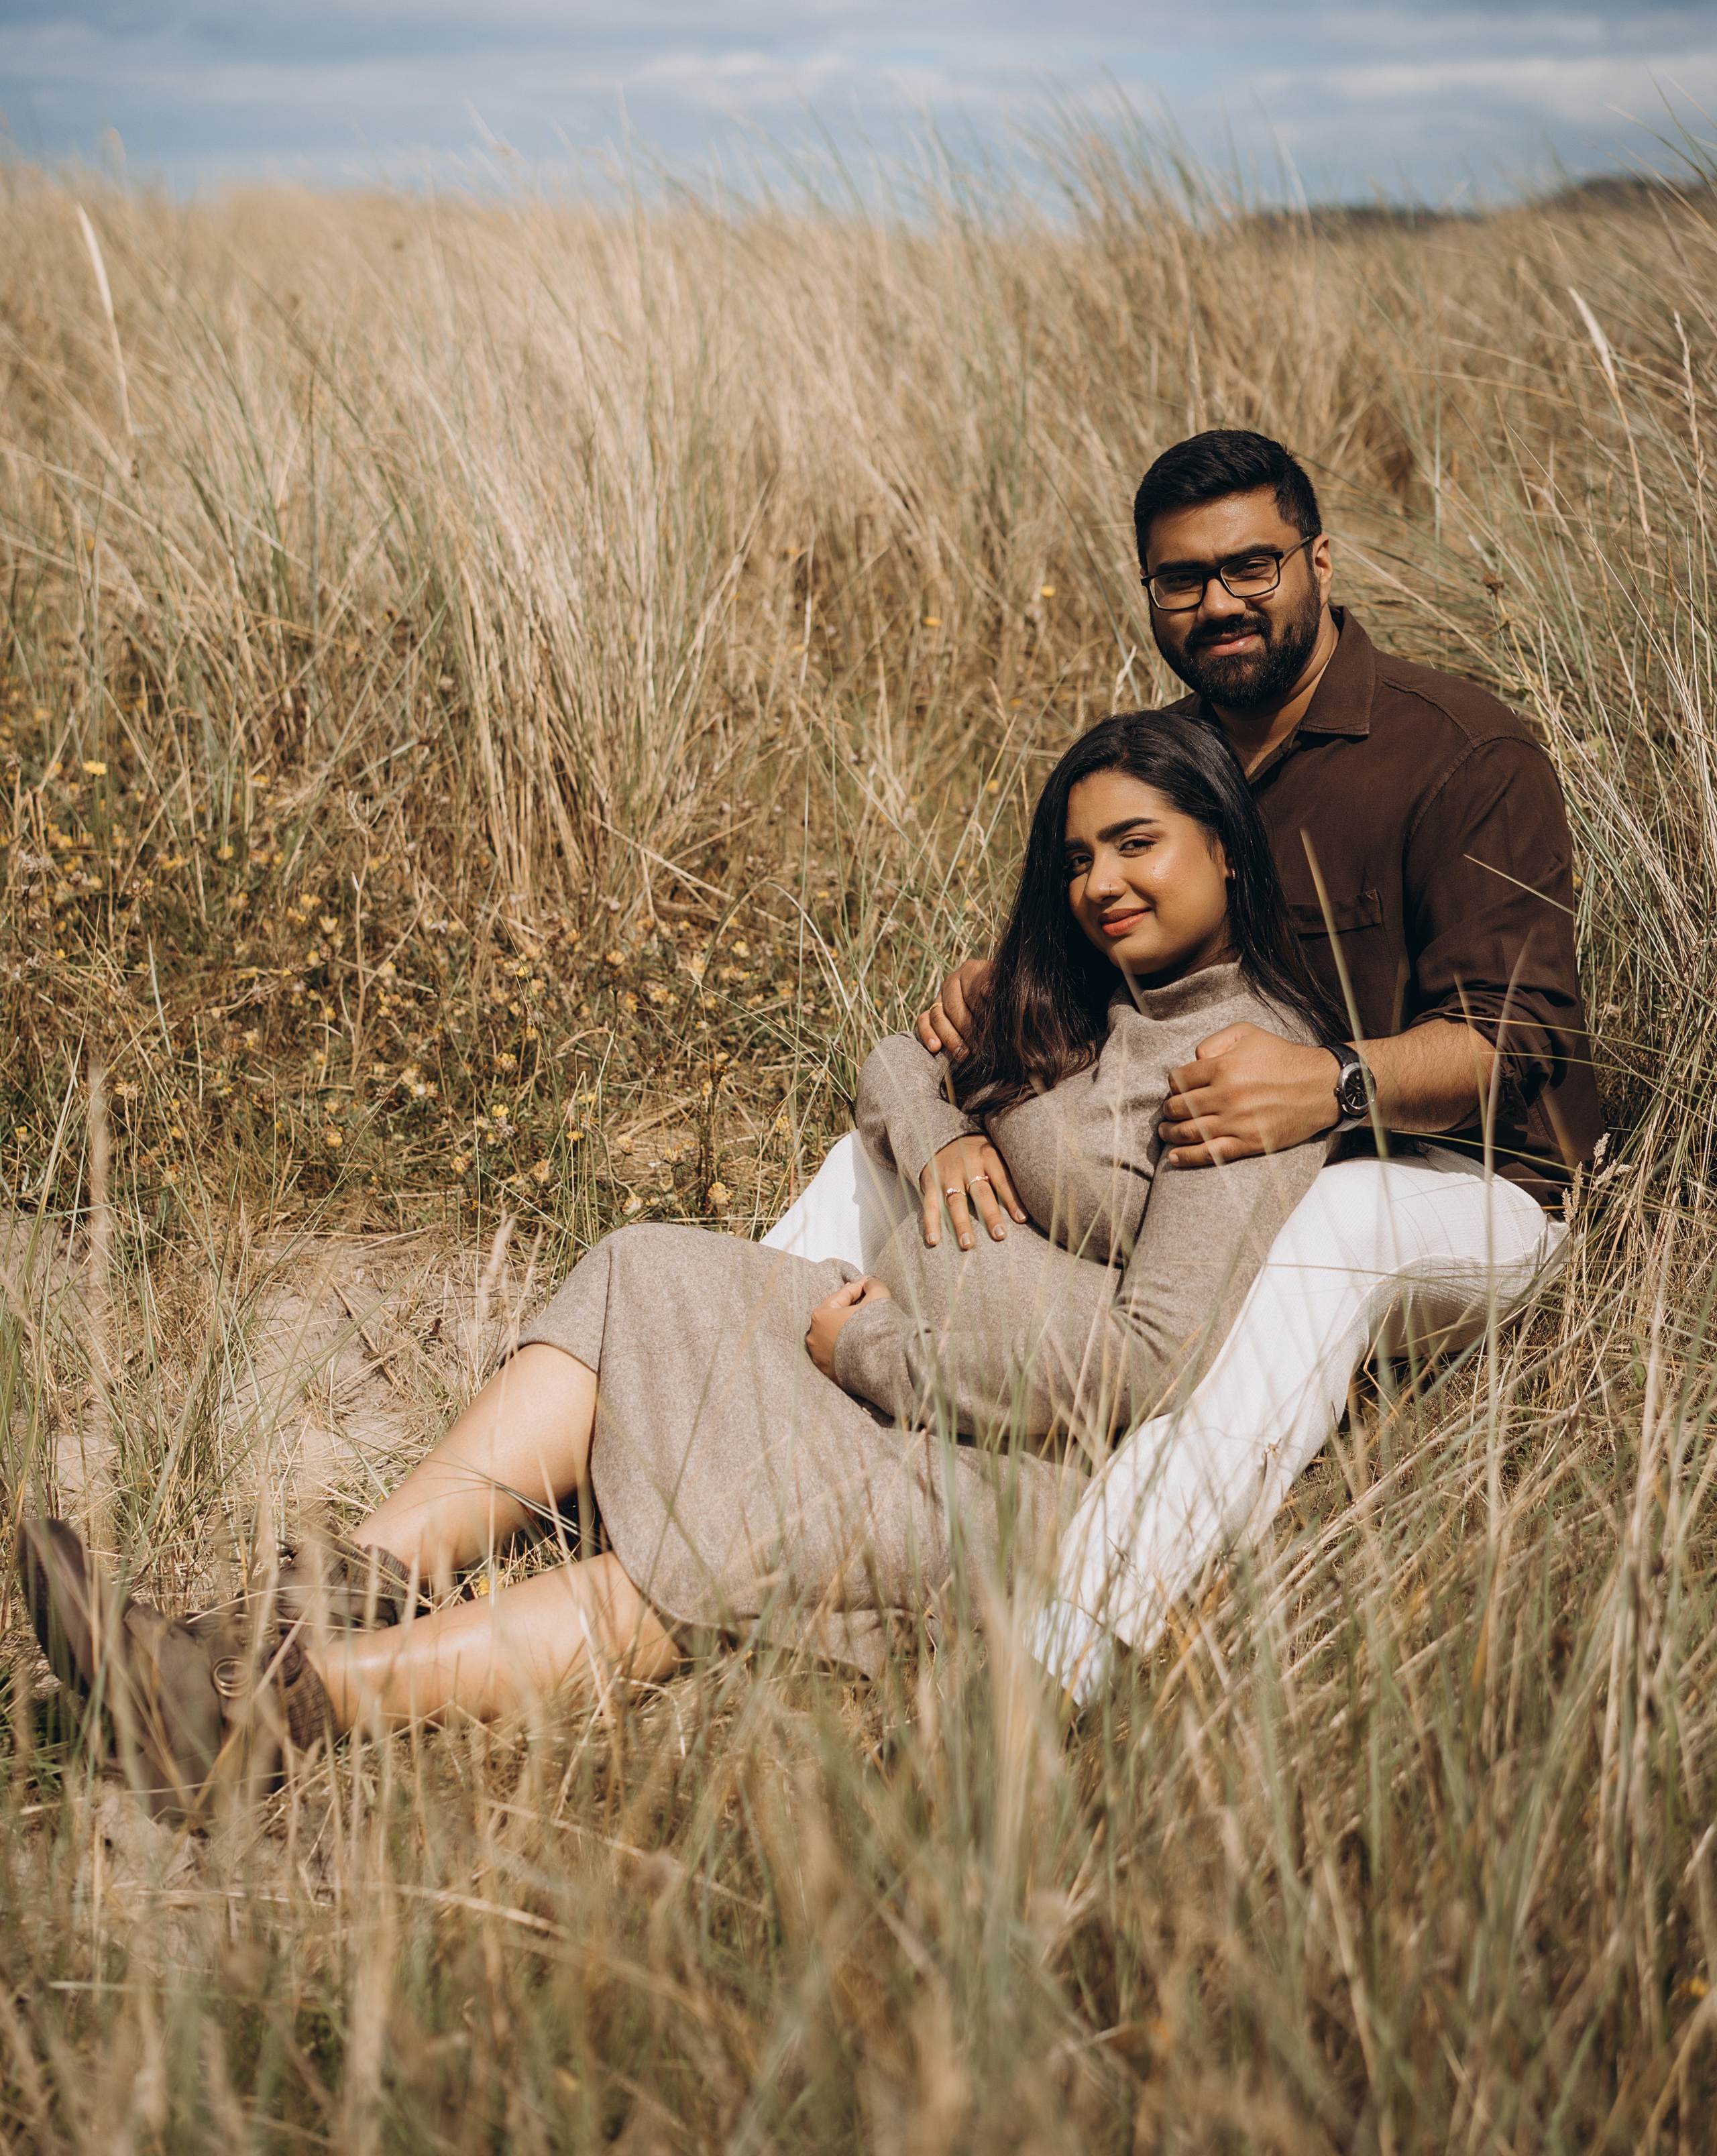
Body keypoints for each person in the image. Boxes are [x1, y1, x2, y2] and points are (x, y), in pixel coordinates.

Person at [19, 713, 1334, 1821]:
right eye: (1076, 856)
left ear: (1222, 844)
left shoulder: (1239, 1065)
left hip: (984, 1457)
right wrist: (936, 1141)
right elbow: (891, 1060)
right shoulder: (1077, 990)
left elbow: (1140, 1362)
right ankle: (303, 1602)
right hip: (865, 1365)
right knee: (643, 1267)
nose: (1101, 881)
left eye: (1136, 846)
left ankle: (269, 1716)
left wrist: (872, 1352)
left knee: (723, 1541)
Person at [766, 429, 1595, 1698]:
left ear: (1319, 559)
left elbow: (1521, 1038)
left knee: (1341, 1214)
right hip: (1191, 1179)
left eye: (1250, 565)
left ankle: (1059, 1662)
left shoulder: (1463, 755)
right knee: (881, 1164)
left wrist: (1337, 1085)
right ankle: (733, 1421)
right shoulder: (1158, 757)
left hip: (1454, 1182)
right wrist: (999, 1011)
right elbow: (1086, 965)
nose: (1217, 602)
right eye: (1179, 579)